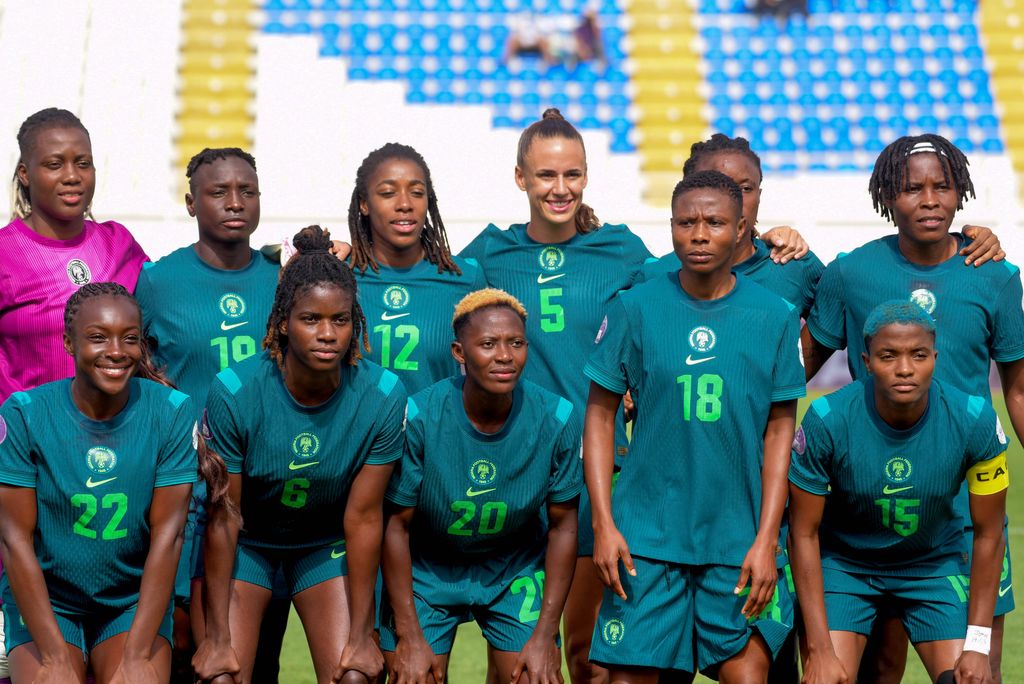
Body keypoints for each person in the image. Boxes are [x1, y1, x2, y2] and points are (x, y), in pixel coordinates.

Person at [801, 134, 1024, 683]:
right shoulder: (852, 272)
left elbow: (1017, 389)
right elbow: (796, 369)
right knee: (880, 666)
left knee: (980, 669)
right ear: (886, 196)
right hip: (871, 505)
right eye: (911, 188)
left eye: (942, 187)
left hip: (963, 513)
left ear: (960, 193)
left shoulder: (993, 274)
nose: (929, 200)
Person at [583, 170, 805, 682]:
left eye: (714, 223)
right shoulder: (635, 307)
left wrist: (766, 539)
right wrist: (604, 523)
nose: (699, 235)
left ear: (742, 227)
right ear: (671, 227)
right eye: (686, 223)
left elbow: (780, 435)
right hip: (645, 537)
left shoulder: (775, 316)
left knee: (746, 676)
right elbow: (599, 416)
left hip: (737, 538)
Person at [192, 226, 406, 684]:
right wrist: (216, 637)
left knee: (355, 673)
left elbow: (364, 517)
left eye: (340, 320)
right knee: (221, 675)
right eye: (311, 319)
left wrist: (362, 633)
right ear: (283, 321)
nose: (327, 334)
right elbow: (225, 518)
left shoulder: (384, 394)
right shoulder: (235, 391)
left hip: (323, 544)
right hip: (249, 543)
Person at [789, 300, 1009, 684]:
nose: (905, 368)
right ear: (866, 361)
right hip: (847, 565)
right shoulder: (828, 420)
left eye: (918, 355)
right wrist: (819, 649)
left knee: (970, 678)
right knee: (826, 677)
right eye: (888, 356)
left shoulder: (974, 420)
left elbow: (990, 534)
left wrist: (977, 645)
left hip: (932, 564)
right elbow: (803, 533)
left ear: (935, 358)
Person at [134, 147, 286, 683]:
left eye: (247, 191)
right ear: (191, 202)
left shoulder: (282, 276)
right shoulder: (158, 280)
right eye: (219, 192)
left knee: (256, 655)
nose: (235, 202)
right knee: (181, 643)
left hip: (262, 489)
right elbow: (138, 371)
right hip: (185, 487)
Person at [380, 288, 581, 683]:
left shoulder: (557, 417)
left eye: (516, 343)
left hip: (512, 567)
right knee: (415, 676)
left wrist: (545, 634)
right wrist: (409, 633)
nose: (505, 356)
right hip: (428, 569)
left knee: (534, 677)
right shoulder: (419, 416)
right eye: (488, 344)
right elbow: (395, 526)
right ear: (459, 352)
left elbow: (564, 527)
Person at [0, 282, 196, 683]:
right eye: (98, 337)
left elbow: (170, 535)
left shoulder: (171, 411)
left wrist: (138, 655)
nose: (116, 351)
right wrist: (53, 657)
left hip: (130, 600)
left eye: (130, 338)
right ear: (68, 343)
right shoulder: (25, 413)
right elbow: (13, 538)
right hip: (49, 599)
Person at [0, 108, 148, 404]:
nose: (72, 176)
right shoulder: (5, 252)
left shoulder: (118, 242)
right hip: (26, 429)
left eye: (83, 163)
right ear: (25, 174)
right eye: (54, 164)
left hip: (114, 427)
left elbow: (170, 305)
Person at [347, 142, 487, 395]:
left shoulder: (466, 278)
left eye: (417, 192)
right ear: (364, 204)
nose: (405, 204)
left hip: (437, 422)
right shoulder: (339, 277)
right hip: (358, 423)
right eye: (388, 192)